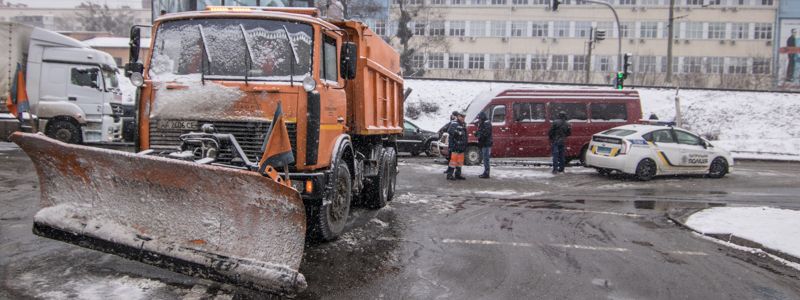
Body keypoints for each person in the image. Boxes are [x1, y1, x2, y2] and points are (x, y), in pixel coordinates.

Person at [446, 112, 467, 180]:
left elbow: (465, 135)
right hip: (455, 146)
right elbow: (450, 132)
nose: (463, 118)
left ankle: (458, 174)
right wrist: (457, 134)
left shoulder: (463, 124)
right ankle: (449, 175)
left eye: (464, 117)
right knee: (453, 161)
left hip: (461, 146)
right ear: (458, 116)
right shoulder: (454, 123)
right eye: (462, 117)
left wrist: (465, 143)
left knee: (459, 162)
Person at [475, 111, 492, 178]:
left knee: (486, 159)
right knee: (485, 159)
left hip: (486, 144)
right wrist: (477, 133)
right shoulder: (485, 123)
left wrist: (479, 135)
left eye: (480, 118)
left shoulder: (486, 123)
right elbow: (482, 132)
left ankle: (486, 173)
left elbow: (485, 134)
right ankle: (486, 172)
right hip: (485, 143)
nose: (479, 120)